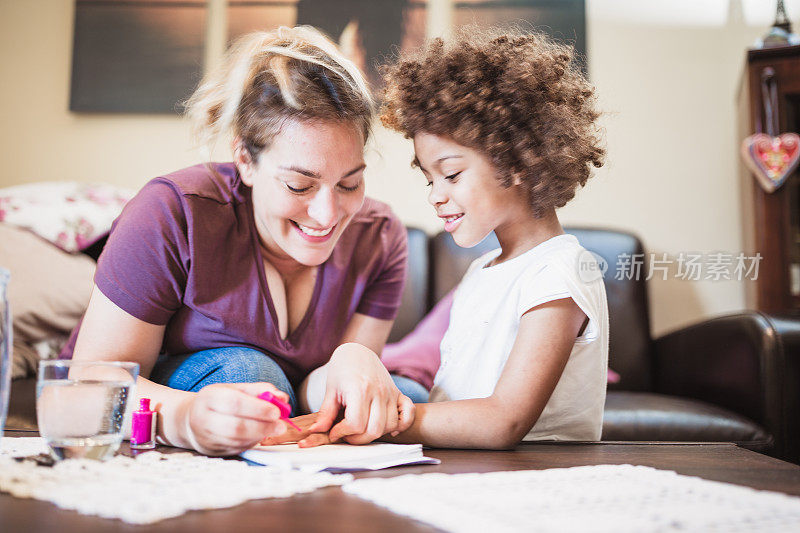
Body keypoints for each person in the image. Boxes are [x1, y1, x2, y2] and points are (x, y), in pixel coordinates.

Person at [64, 26, 420, 456]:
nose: (328, 215)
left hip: (289, 404)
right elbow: (90, 383)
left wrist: (353, 362)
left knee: (404, 399)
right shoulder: (174, 212)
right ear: (245, 161)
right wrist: (185, 420)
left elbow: (319, 394)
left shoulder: (379, 236)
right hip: (165, 398)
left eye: (349, 184)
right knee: (250, 373)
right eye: (298, 185)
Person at [286, 29, 609, 449]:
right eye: (429, 178)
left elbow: (502, 422)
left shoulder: (558, 272)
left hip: (535, 475)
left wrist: (385, 421)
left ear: (518, 161)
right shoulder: (481, 270)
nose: (435, 196)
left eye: (451, 174)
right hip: (466, 466)